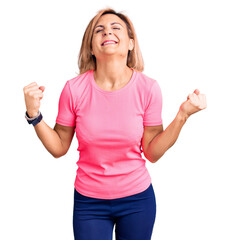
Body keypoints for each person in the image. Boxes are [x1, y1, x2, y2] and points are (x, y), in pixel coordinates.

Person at [23, 8, 207, 240]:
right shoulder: (74, 89)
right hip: (89, 202)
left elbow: (152, 152)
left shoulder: (148, 88)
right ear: (91, 47)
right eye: (99, 30)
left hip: (137, 200)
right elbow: (59, 147)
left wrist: (183, 115)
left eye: (115, 28)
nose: (107, 32)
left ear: (130, 43)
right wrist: (34, 114)